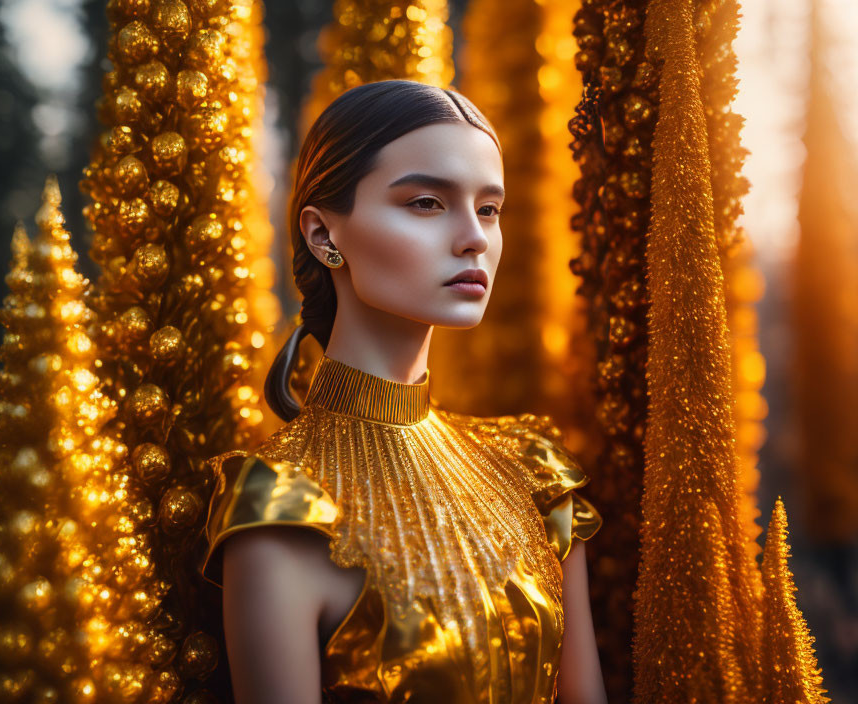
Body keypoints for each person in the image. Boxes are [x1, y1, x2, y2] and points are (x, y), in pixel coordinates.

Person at [199, 79, 607, 704]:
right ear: (322, 235)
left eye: (490, 208)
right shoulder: (282, 509)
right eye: (426, 202)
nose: (474, 237)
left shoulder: (534, 473)